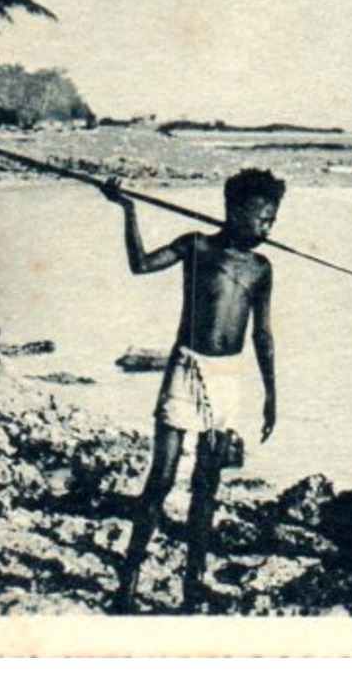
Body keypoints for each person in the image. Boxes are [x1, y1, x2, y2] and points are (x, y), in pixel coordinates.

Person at [103, 168, 285, 613]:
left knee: (206, 486)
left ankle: (193, 584)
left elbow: (262, 335)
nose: (267, 229)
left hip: (228, 380)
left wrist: (271, 395)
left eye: (272, 221)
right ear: (235, 210)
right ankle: (126, 586)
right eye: (262, 218)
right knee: (160, 481)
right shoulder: (197, 246)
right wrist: (128, 210)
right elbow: (140, 264)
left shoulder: (262, 269)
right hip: (185, 369)